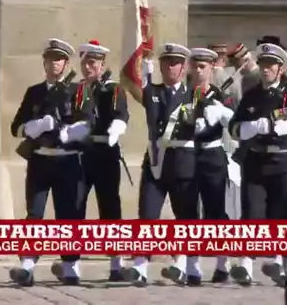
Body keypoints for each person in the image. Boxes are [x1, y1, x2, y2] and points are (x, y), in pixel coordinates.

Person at [8, 38, 92, 286]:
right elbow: (16, 127)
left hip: (67, 161)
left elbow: (88, 123)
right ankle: (27, 264)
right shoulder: (34, 92)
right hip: (41, 161)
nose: (54, 63)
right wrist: (34, 127)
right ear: (43, 62)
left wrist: (69, 132)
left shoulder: (78, 90)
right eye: (50, 58)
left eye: (59, 59)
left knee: (69, 216)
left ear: (66, 64)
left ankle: (70, 265)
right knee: (34, 214)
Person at [228, 42, 287, 286]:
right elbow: (234, 128)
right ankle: (245, 265)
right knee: (251, 212)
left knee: (284, 216)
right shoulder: (252, 95)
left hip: (284, 161)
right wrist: (249, 128)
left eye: (271, 65)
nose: (265, 69)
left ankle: (285, 267)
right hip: (256, 160)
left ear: (280, 68)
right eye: (262, 64)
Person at [122, 43, 200, 287]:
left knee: (185, 216)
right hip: (156, 162)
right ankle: (140, 266)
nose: (170, 67)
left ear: (183, 66)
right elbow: (134, 85)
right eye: (166, 62)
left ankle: (183, 263)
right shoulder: (152, 91)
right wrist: (143, 65)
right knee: (147, 214)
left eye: (175, 62)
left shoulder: (193, 94)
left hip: (183, 163)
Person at [64, 39, 129, 281]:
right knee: (74, 207)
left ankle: (116, 264)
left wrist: (117, 128)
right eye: (85, 62)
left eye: (93, 62)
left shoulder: (112, 89)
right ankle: (71, 266)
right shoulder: (76, 89)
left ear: (102, 65)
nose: (88, 67)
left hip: (105, 152)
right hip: (80, 153)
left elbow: (121, 113)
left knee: (110, 207)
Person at [183, 47, 236, 285]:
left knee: (215, 210)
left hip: (213, 155)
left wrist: (222, 113)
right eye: (194, 66)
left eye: (202, 67)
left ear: (211, 69)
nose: (198, 71)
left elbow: (236, 121)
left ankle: (222, 263)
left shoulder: (221, 95)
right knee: (189, 211)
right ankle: (193, 267)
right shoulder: (185, 94)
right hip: (189, 154)